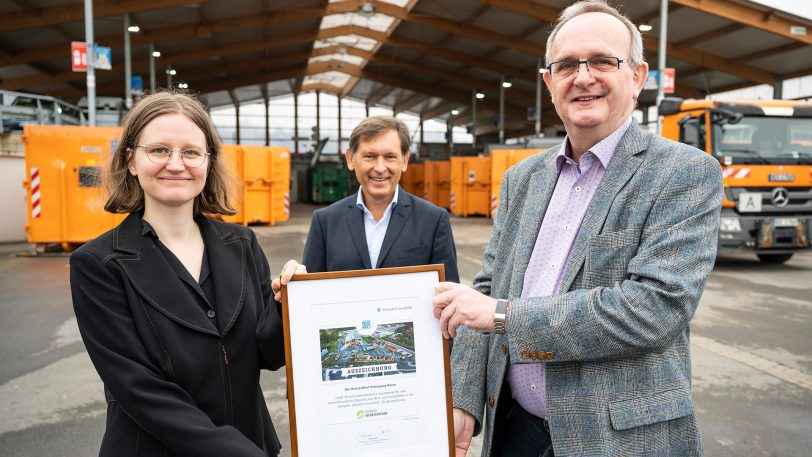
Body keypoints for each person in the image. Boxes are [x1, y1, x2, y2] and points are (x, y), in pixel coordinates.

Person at [433, 1, 722, 456]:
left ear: (637, 76)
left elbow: (654, 308)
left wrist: (506, 316)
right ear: (549, 83)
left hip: (618, 439)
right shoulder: (523, 180)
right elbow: (487, 288)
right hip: (515, 430)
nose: (583, 77)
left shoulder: (683, 173)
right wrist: (464, 397)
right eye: (567, 64)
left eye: (603, 61)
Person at [70, 91, 302, 456]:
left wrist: (288, 303)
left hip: (252, 441)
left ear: (208, 162)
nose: (176, 164)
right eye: (159, 150)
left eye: (191, 152)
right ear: (131, 160)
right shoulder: (99, 264)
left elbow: (267, 353)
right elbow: (139, 388)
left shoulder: (241, 243)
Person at [302, 115, 459, 282]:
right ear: (350, 159)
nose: (380, 168)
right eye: (369, 156)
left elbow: (449, 294)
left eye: (390, 157)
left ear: (404, 161)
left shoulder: (433, 220)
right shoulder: (325, 222)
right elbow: (308, 294)